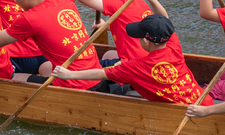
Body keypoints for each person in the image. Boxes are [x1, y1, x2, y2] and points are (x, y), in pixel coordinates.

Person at [52, 14, 211, 104]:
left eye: (139, 37)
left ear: (147, 41)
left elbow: (101, 74)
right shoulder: (173, 45)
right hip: (205, 102)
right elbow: (165, 20)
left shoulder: (136, 67)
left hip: (191, 113)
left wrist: (69, 75)